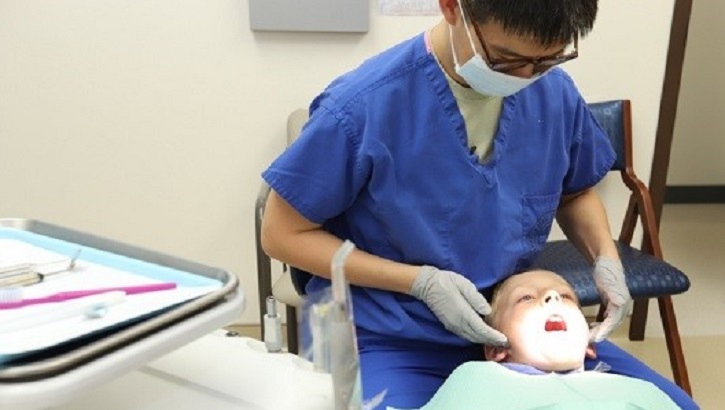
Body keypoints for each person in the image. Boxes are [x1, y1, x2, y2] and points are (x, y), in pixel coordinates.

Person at [260, 0, 698, 408]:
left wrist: (605, 258)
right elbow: (282, 234)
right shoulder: (362, 107)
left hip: (511, 333)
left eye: (547, 60)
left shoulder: (553, 93)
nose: (526, 78)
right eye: (507, 59)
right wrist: (419, 282)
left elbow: (576, 189)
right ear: (453, 7)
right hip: (392, 335)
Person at [410, 270, 681, 409]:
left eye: (565, 297)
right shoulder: (474, 379)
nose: (552, 297)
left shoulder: (633, 391)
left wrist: (606, 255)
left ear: (589, 345)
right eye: (526, 298)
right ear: (495, 347)